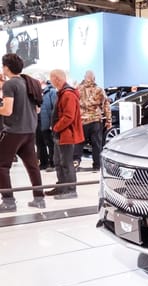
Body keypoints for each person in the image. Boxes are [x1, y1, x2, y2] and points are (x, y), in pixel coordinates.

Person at [0, 53, 45, 212]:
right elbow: (37, 108)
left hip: (13, 132)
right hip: (29, 130)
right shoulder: (30, 82)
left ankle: (8, 201)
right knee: (33, 166)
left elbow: (7, 110)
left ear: (6, 67)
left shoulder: (10, 85)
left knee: (2, 166)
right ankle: (39, 199)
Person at [46, 69, 84, 199]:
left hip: (66, 135)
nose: (50, 81)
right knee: (58, 162)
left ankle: (71, 190)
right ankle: (62, 187)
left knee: (66, 163)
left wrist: (56, 127)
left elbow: (68, 117)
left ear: (57, 79)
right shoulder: (62, 93)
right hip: (60, 135)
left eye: (51, 78)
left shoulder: (68, 94)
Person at [73, 71, 111, 171]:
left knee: (79, 143)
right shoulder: (99, 89)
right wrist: (108, 120)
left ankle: (76, 162)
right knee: (96, 144)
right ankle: (97, 165)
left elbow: (73, 104)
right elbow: (106, 105)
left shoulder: (77, 89)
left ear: (84, 77)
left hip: (82, 121)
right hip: (95, 120)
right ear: (94, 78)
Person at [36, 79, 57, 171]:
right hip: (37, 121)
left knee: (50, 143)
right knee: (39, 143)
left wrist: (52, 123)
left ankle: (52, 163)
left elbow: (55, 108)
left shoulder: (51, 91)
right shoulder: (36, 92)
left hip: (48, 122)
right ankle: (43, 163)